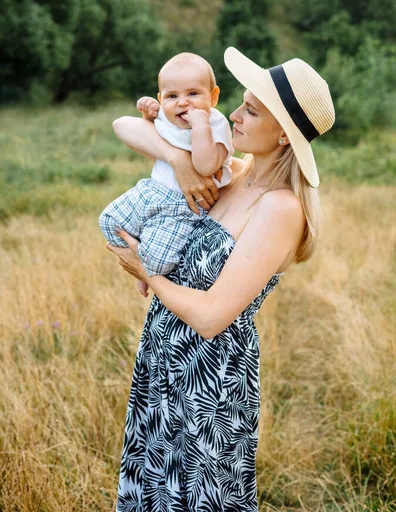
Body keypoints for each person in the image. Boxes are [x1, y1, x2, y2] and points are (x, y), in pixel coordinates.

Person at [106, 46, 335, 512]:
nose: (234, 114)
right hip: (162, 358)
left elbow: (212, 318)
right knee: (154, 491)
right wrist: (180, 159)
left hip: (210, 381)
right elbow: (124, 127)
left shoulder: (279, 209)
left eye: (250, 110)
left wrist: (144, 269)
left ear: (286, 136)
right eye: (241, 102)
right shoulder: (232, 176)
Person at [99, 52, 233, 297]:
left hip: (183, 208)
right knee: (109, 221)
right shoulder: (168, 116)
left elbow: (204, 167)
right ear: (162, 99)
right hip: (151, 190)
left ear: (213, 97)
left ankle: (148, 271)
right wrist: (149, 115)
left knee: (158, 261)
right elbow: (126, 127)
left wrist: (200, 126)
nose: (183, 103)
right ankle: (146, 266)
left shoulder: (216, 125)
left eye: (193, 94)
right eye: (172, 96)